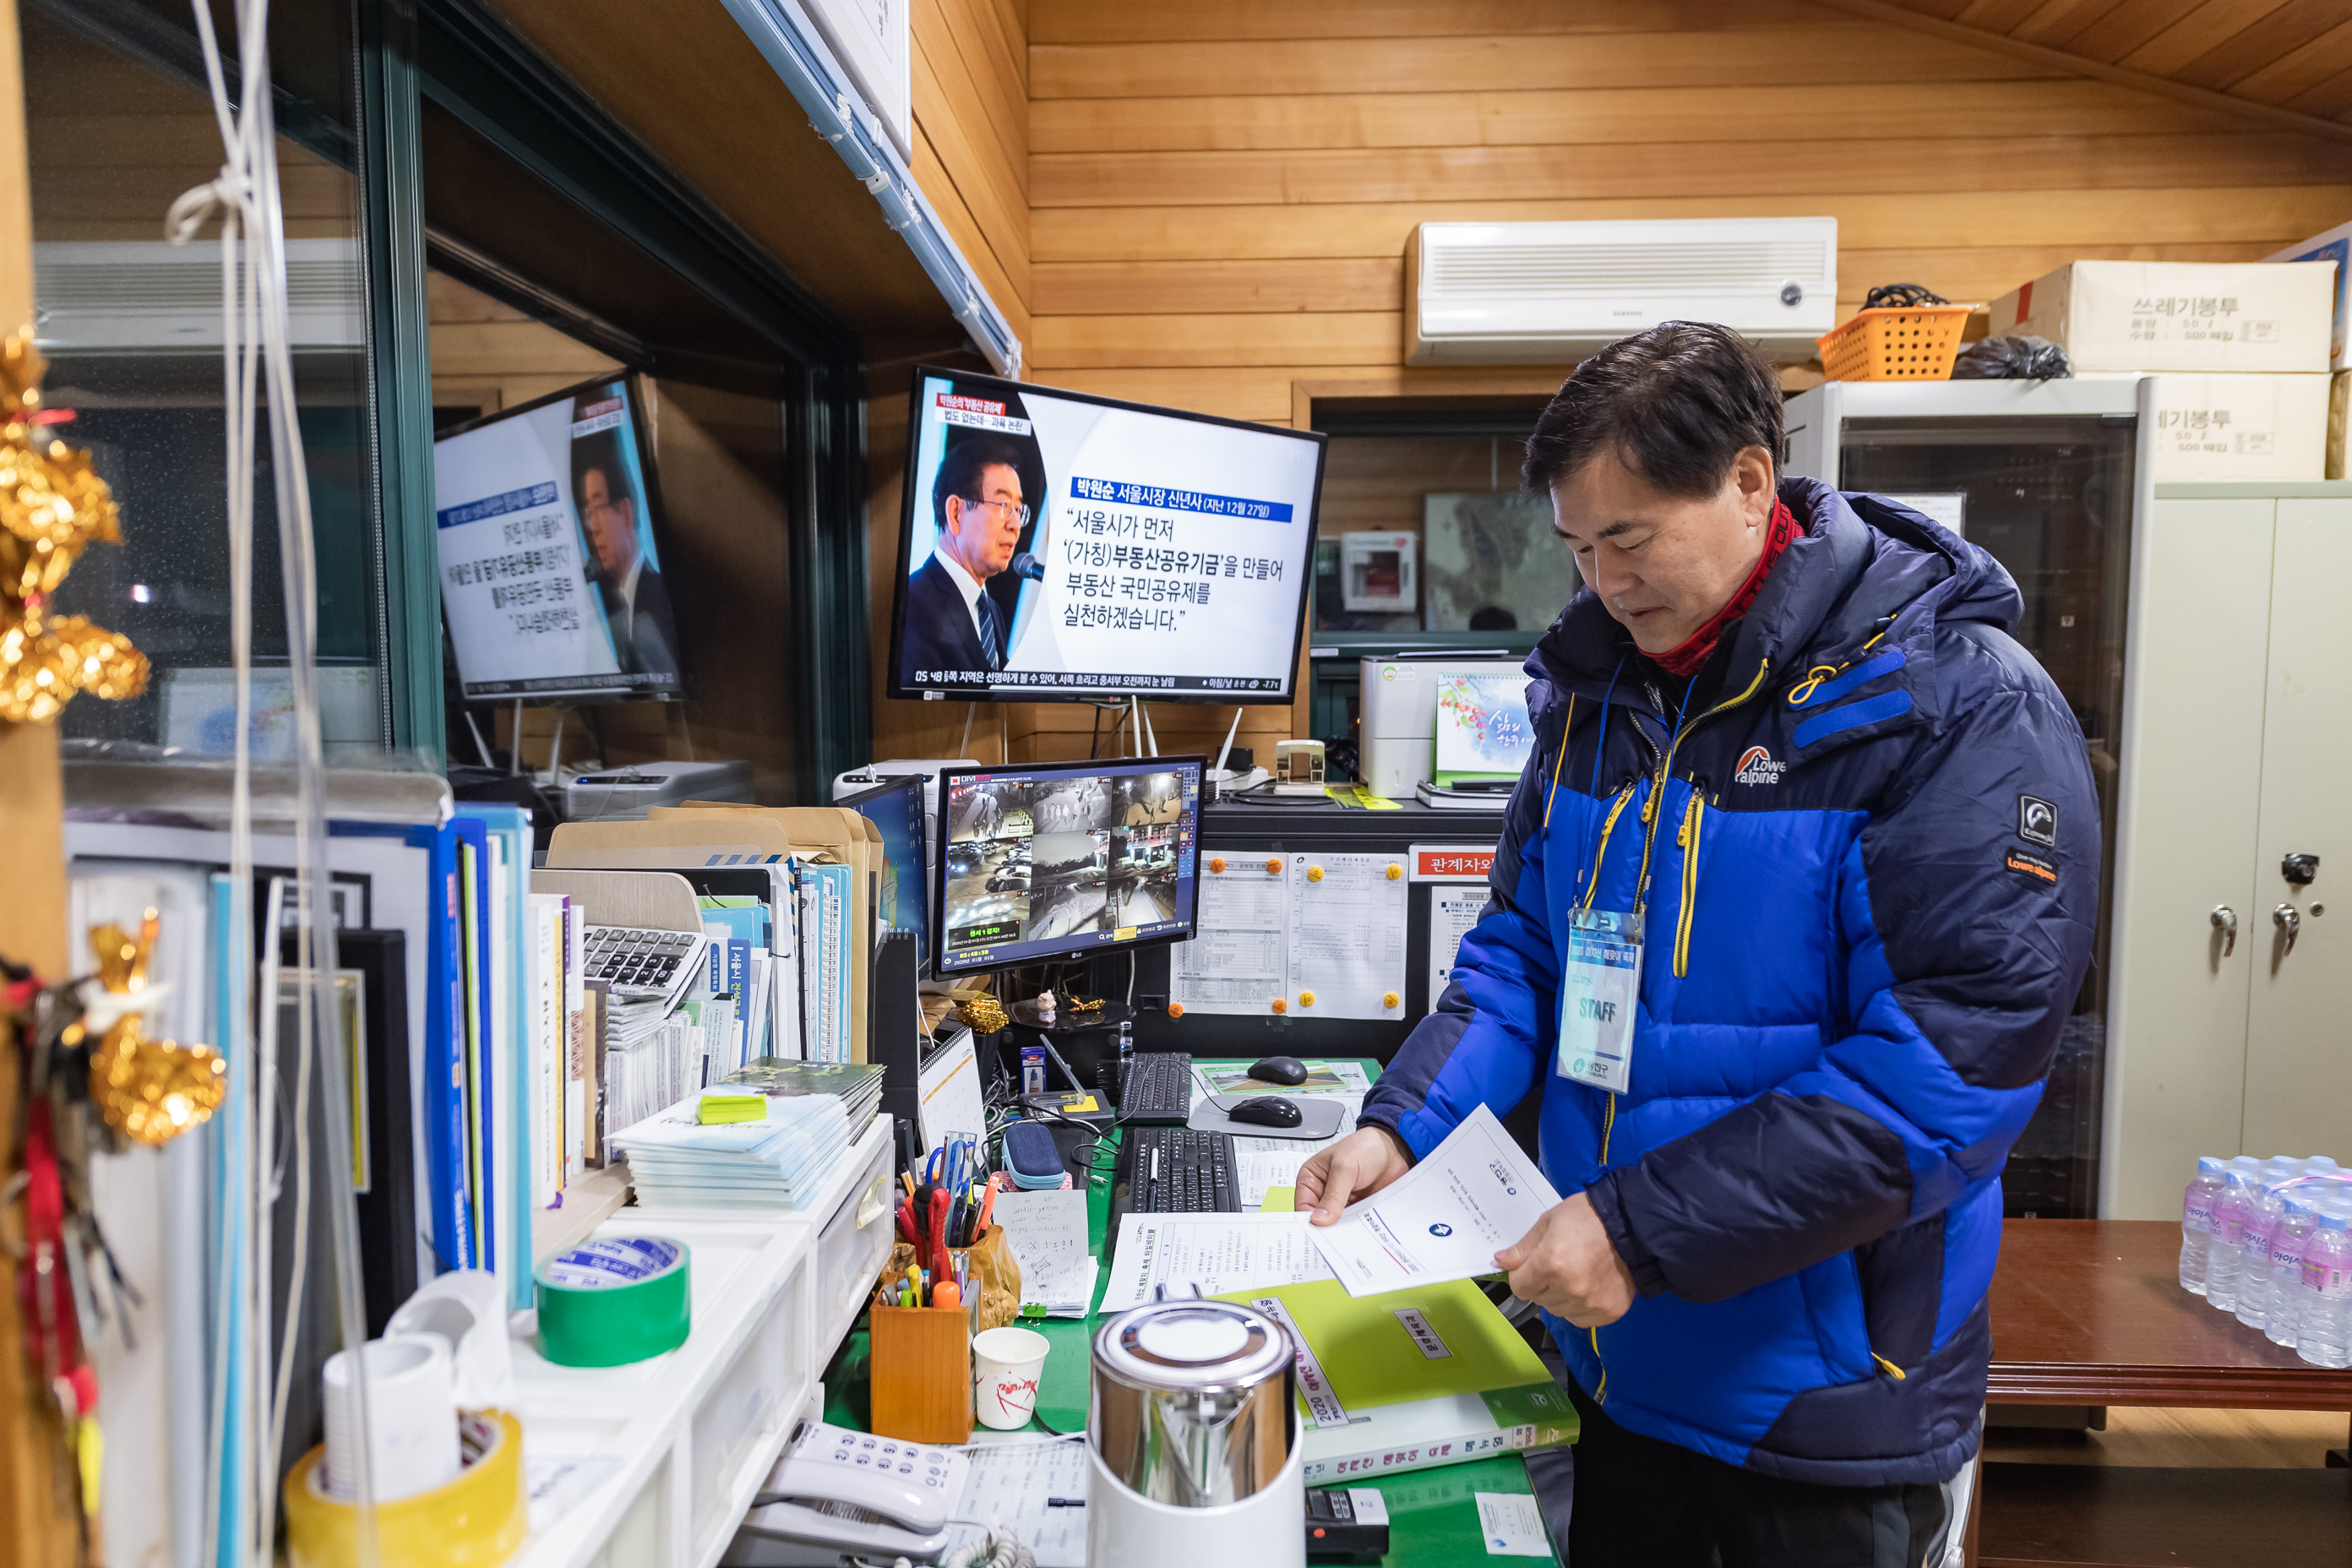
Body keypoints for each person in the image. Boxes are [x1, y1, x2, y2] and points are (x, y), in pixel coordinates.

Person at [1298, 322, 2098, 1568]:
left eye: (1630, 538)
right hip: (1615, 1361)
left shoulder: (1954, 702)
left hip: (1817, 1407)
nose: (1606, 581)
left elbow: (1953, 1071)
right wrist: (1402, 1121)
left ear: (1747, 482)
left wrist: (1637, 1231)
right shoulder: (1593, 696)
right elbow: (1523, 952)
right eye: (1577, 547)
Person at [901, 433, 1029, 683]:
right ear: (956, 513)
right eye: (1003, 505)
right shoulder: (914, 602)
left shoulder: (990, 609)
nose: (1015, 525)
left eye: (1019, 509)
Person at [573, 431, 678, 681]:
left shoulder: (660, 595)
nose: (592, 527)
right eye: (588, 514)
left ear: (626, 513)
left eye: (598, 508)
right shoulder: (616, 607)